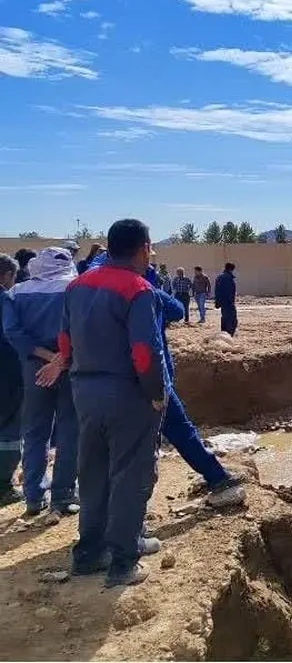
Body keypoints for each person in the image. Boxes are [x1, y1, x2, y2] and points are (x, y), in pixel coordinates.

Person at [57, 218, 167, 587]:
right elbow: (143, 352)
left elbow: (65, 342)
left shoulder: (76, 286)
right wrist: (156, 393)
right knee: (129, 474)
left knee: (91, 472)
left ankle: (88, 554)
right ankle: (123, 560)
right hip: (127, 394)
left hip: (83, 392)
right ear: (143, 248)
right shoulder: (139, 289)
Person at [153, 274, 246, 508]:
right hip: (149, 378)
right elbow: (174, 310)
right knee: (179, 428)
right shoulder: (141, 288)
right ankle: (217, 477)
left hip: (97, 383)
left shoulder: (80, 289)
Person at [2, 248, 79, 517]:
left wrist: (45, 358)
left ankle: (34, 495)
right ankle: (63, 495)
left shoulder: (16, 293)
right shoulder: (76, 289)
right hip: (71, 365)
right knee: (70, 429)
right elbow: (81, 329)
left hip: (33, 368)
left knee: (35, 431)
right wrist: (59, 361)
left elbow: (12, 331)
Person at [0, 254, 21, 506]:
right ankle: (4, 485)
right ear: (6, 275)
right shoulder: (5, 299)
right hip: (6, 372)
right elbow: (12, 335)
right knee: (9, 430)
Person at [214, 262, 238, 336]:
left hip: (222, 301)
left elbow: (217, 290)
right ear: (231, 269)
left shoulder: (219, 277)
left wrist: (217, 302)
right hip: (229, 301)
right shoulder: (229, 278)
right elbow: (231, 291)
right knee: (232, 318)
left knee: (224, 317)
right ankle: (229, 333)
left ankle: (224, 332)